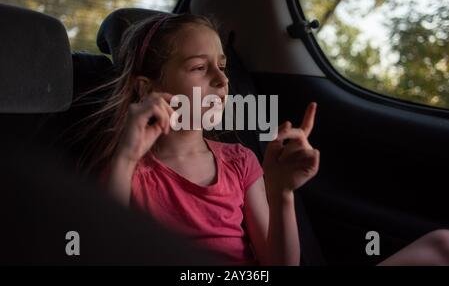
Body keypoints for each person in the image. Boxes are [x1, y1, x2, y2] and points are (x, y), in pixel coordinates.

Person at [80, 13, 449, 266]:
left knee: (441, 243)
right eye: (198, 67)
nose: (223, 81)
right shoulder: (127, 169)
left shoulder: (239, 160)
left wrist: (281, 191)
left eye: (222, 66)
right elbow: (101, 250)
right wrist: (127, 156)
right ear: (148, 88)